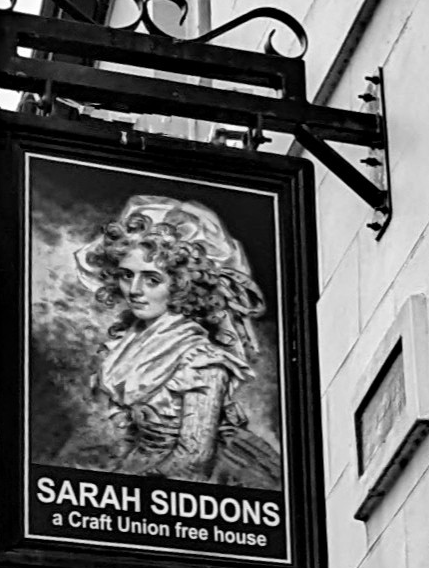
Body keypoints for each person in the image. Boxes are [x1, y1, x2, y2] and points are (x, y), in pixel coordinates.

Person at [58, 193, 282, 486]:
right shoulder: (126, 345)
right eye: (127, 275)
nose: (135, 290)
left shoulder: (202, 361)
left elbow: (193, 460)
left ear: (181, 285)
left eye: (152, 279)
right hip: (142, 467)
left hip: (200, 487)